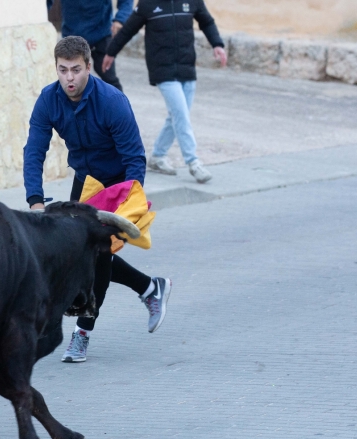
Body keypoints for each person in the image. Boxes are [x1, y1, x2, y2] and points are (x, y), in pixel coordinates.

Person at [23, 36, 172, 363]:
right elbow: (34, 150)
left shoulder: (112, 102)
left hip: (119, 185)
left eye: (76, 70)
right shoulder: (49, 100)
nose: (69, 78)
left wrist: (130, 204)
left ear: (89, 67)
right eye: (63, 70)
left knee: (97, 259)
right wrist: (35, 200)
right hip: (86, 182)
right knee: (78, 254)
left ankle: (82, 334)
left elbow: (134, 157)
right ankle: (150, 288)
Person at [102, 0, 227, 183]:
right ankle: (193, 162)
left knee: (177, 116)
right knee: (181, 114)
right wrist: (110, 52)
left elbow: (206, 21)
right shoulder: (147, 4)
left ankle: (158, 156)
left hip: (187, 68)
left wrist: (218, 44)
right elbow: (128, 29)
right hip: (162, 70)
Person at [47, 0, 134, 91]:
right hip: (72, 36)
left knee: (110, 81)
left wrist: (120, 19)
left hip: (101, 34)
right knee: (69, 80)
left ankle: (119, 104)